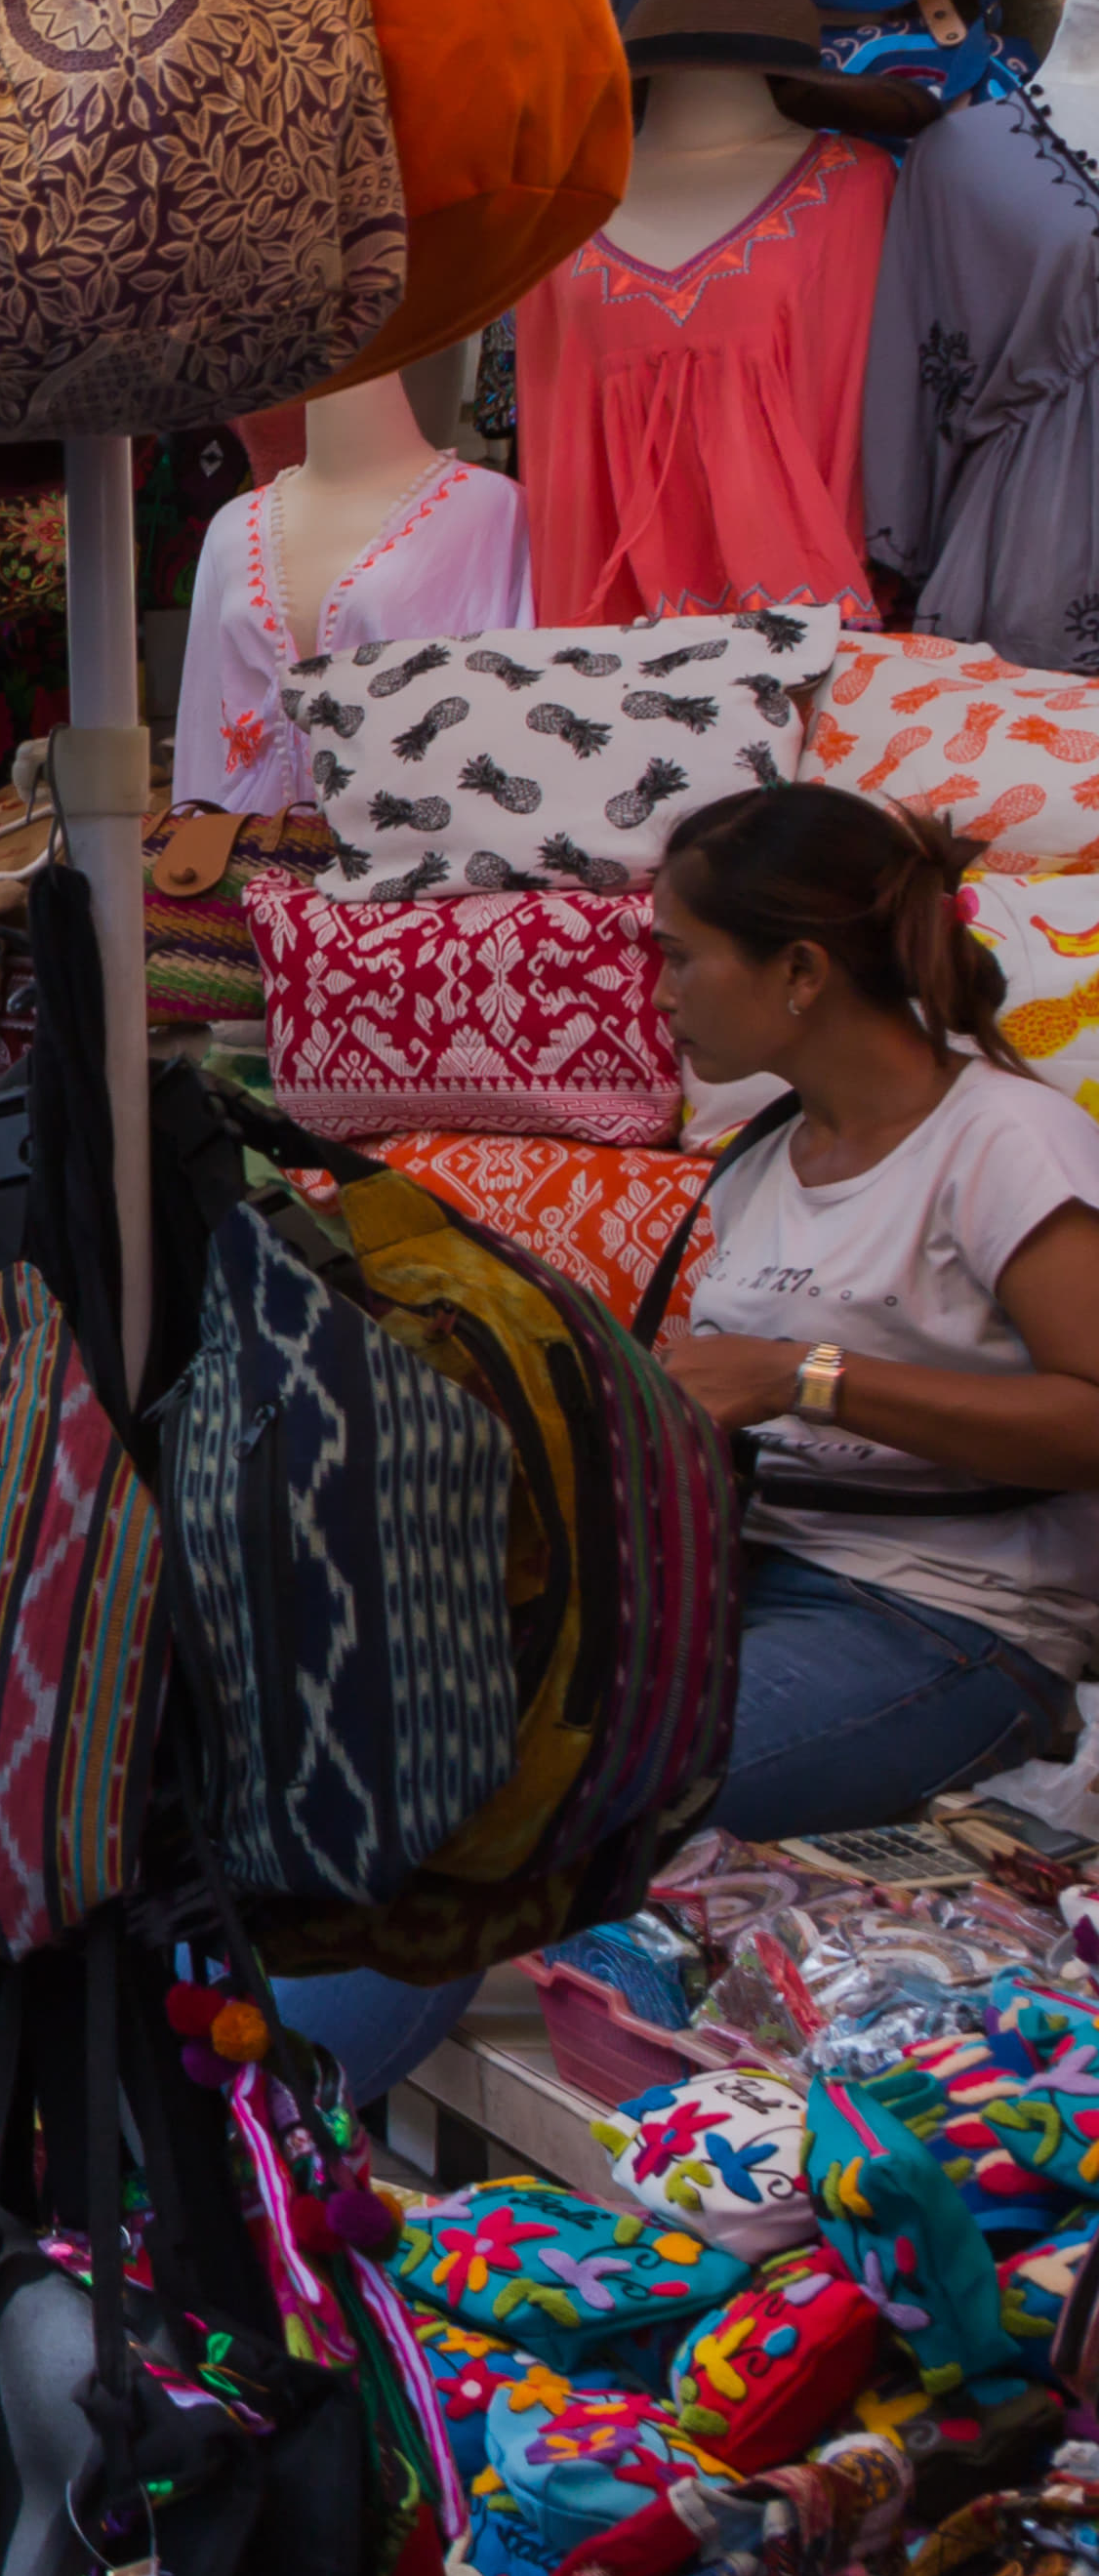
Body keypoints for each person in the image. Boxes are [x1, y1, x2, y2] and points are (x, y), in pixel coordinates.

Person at [285, 783, 1099, 2102]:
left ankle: (239, 2169)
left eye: (674, 952)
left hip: (948, 1631)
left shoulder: (1003, 1145)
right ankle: (187, 2111)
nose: (647, 986)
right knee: (383, 1723)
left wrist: (806, 1380)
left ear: (798, 971)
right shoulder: (769, 1152)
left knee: (518, 1808)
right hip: (748, 1583)